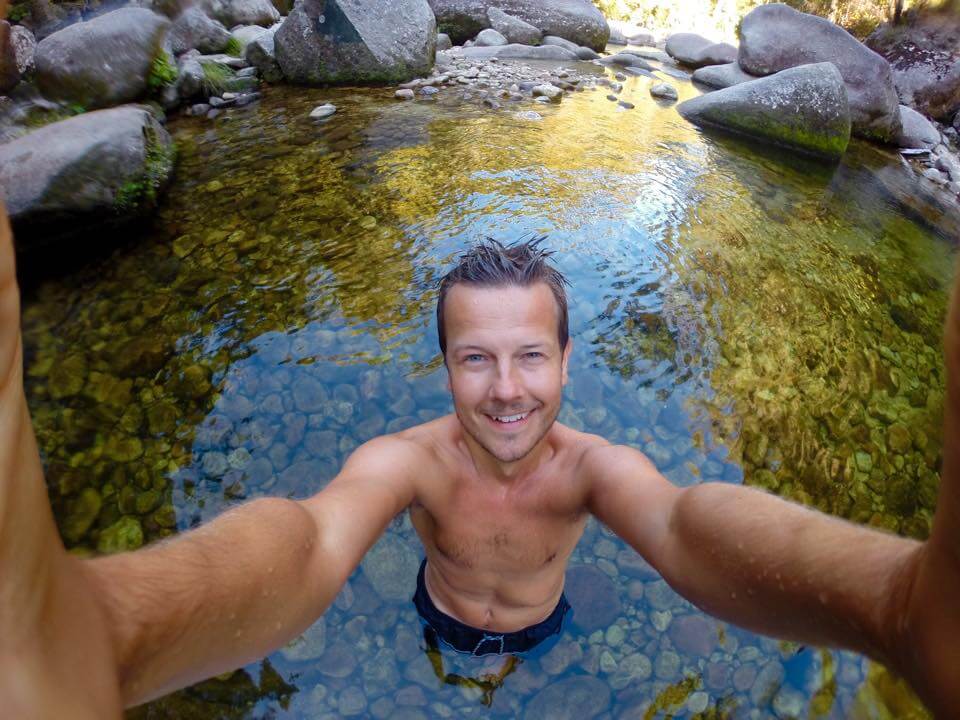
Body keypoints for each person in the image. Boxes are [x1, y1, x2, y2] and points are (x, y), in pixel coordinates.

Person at [1, 196, 959, 716]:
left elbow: (681, 525)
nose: (507, 388)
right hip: (439, 610)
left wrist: (889, 604)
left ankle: (504, 674)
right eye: (477, 358)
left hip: (541, 624)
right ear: (445, 365)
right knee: (454, 646)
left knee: (521, 659)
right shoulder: (407, 462)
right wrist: (111, 632)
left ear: (567, 357)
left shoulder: (593, 469)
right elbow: (311, 543)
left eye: (531, 355)